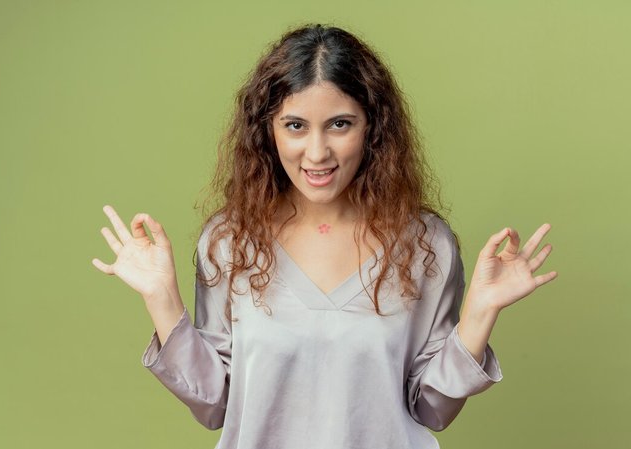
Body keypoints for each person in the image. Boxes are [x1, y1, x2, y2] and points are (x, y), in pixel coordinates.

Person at [92, 24, 557, 449]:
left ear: (371, 127)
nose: (317, 153)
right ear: (267, 131)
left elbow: (432, 409)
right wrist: (162, 299)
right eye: (295, 126)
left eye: (339, 124)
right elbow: (216, 405)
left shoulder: (424, 244)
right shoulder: (229, 241)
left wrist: (480, 312)